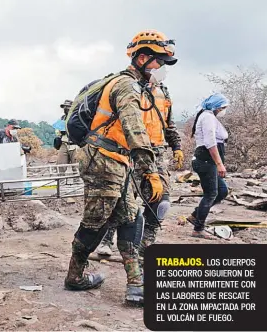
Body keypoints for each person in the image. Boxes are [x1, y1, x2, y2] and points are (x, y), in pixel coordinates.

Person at [64, 29, 175, 305]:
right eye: (157, 61)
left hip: (117, 159)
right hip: (102, 160)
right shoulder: (126, 86)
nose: (160, 68)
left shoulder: (138, 86)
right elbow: (134, 128)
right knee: (95, 222)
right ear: (142, 58)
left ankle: (136, 285)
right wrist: (150, 171)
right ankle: (74, 276)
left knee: (131, 218)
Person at [96, 79, 183, 264]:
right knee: (122, 201)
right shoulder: (130, 88)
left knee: (161, 203)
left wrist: (177, 146)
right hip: (130, 151)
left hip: (157, 153)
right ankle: (107, 239)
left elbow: (168, 123)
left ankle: (145, 245)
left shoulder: (163, 92)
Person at [186, 93, 230, 239]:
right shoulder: (207, 117)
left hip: (208, 161)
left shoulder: (209, 116)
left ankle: (195, 215)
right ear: (217, 106)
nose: (224, 110)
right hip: (206, 160)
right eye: (223, 107)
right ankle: (198, 229)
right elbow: (210, 142)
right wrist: (219, 164)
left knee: (222, 191)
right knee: (211, 193)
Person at [55, 100, 78, 176]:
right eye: (65, 107)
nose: (66, 108)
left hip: (75, 144)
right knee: (60, 166)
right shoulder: (62, 118)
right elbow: (57, 130)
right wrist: (60, 132)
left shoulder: (77, 117)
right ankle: (60, 185)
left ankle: (78, 185)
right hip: (64, 143)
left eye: (67, 107)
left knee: (77, 167)